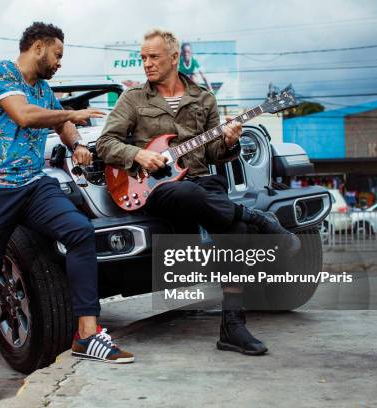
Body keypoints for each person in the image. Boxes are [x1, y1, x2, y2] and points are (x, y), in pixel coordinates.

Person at [97, 29, 301, 358]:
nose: (146, 64)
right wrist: (138, 155)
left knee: (234, 228)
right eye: (143, 58)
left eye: (153, 57)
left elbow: (212, 154)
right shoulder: (133, 99)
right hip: (155, 188)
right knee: (188, 193)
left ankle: (232, 326)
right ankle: (259, 218)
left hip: (201, 183)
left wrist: (230, 141)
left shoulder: (203, 98)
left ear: (174, 58)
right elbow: (106, 143)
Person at [0, 22, 134, 406]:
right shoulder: (0, 73)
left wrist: (76, 145)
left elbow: (59, 124)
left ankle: (87, 335)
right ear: (38, 47)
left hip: (31, 183)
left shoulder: (43, 90)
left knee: (79, 231)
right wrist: (73, 115)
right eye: (58, 54)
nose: (59, 62)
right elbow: (24, 116)